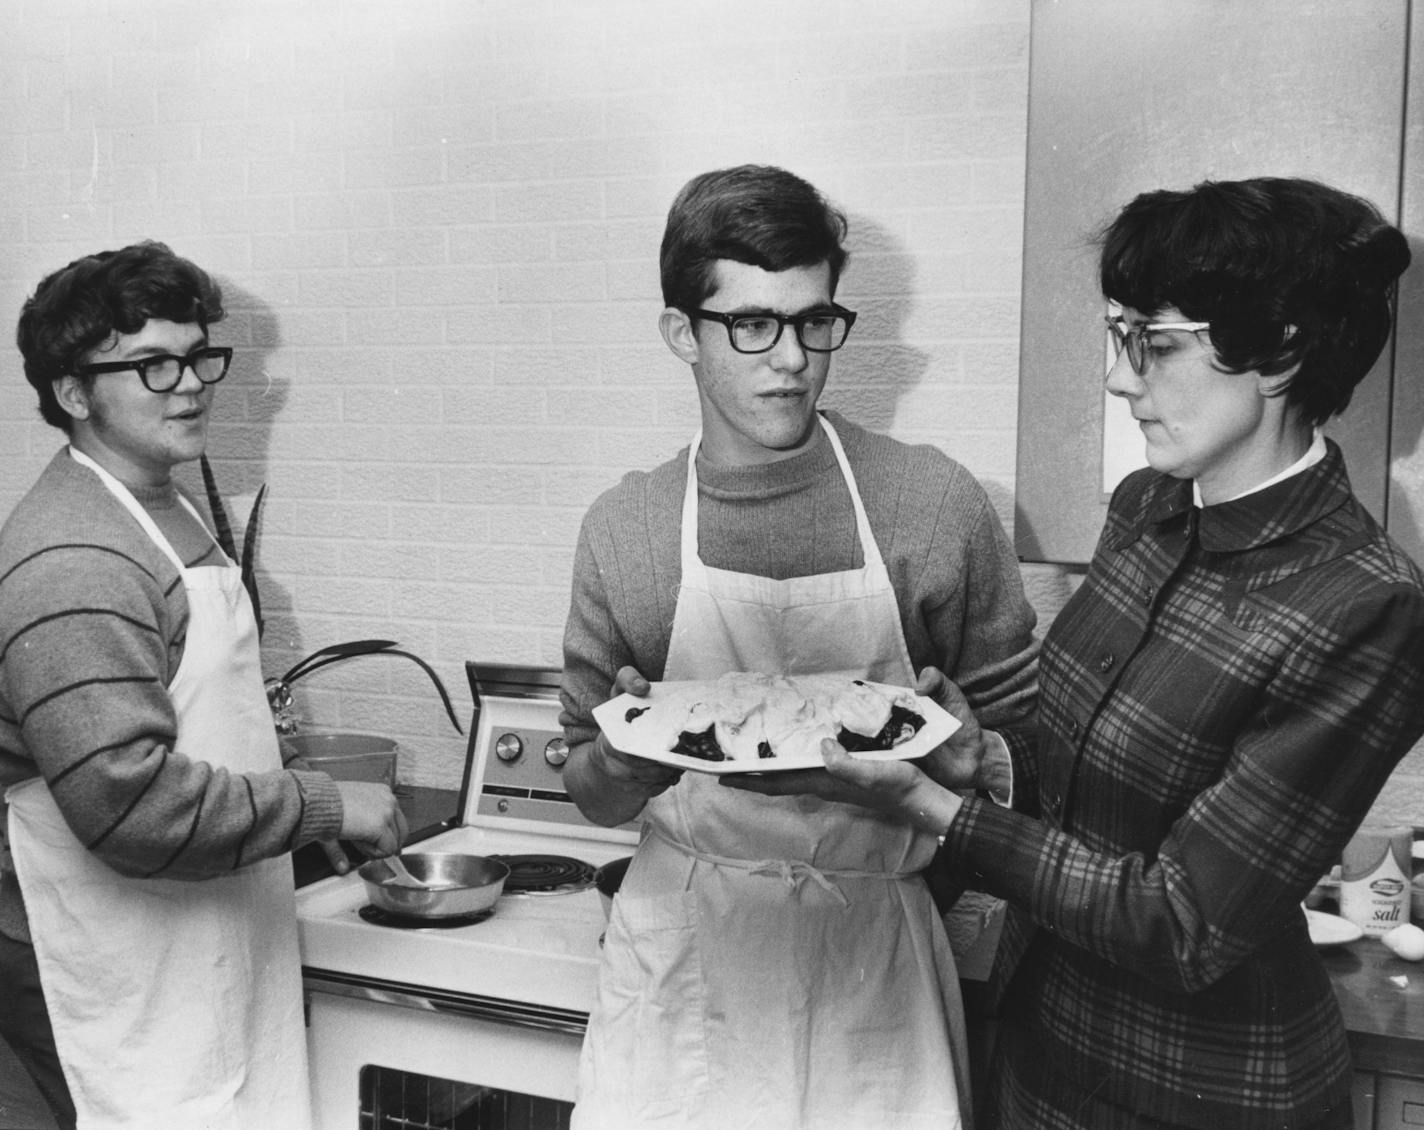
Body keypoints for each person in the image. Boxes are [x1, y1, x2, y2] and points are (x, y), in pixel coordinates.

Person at [733, 176, 1424, 1129]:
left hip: (1205, 1093)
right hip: (1049, 1054)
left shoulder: (1365, 603)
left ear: (1280, 351)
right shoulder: (1148, 510)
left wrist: (941, 812)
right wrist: (985, 760)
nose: (1118, 376)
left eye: (1154, 342)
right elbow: (1090, 774)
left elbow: (1184, 922)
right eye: (1119, 333)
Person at [558, 164, 1039, 1129]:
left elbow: (1031, 760)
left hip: (873, 956)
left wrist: (976, 756)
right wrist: (621, 759)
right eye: (751, 325)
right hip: (684, 958)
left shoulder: (930, 505)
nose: (791, 359)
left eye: (814, 321)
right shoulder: (629, 528)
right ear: (679, 335)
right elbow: (588, 786)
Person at [0, 241, 408, 1130]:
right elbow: (127, 806)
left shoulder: (161, 501)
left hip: (198, 935)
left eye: (196, 356)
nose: (190, 384)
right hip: (112, 964)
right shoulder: (73, 556)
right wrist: (322, 805)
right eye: (151, 364)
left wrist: (286, 768)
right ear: (73, 393)